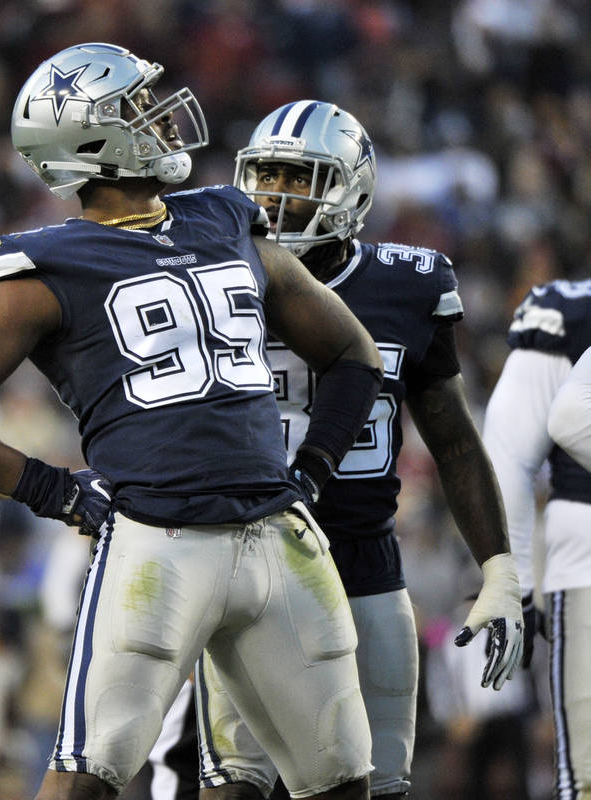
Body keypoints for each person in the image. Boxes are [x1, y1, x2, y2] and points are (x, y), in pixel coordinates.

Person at [0, 42, 386, 800]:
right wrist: (48, 490)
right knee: (89, 778)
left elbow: (352, 351)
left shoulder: (222, 216)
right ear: (88, 141)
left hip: (276, 534)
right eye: (134, 107)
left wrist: (312, 469)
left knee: (343, 784)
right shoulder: (49, 265)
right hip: (158, 543)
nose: (157, 116)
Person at [132, 100, 525, 800]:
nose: (278, 194)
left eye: (300, 176)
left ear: (353, 190)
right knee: (229, 784)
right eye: (268, 175)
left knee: (375, 785)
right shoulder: (213, 273)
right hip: (239, 562)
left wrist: (498, 567)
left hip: (362, 565)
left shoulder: (409, 284)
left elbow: (455, 441)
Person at [484, 280, 591, 800]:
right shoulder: (567, 313)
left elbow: (507, 455)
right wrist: (516, 581)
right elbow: (513, 452)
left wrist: (517, 586)